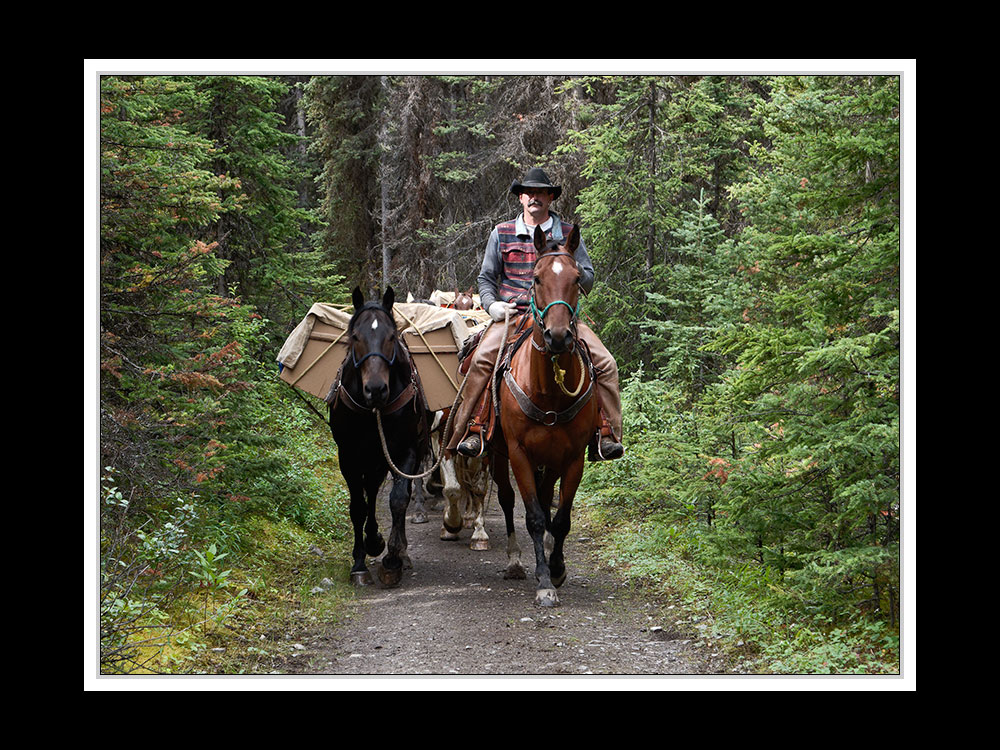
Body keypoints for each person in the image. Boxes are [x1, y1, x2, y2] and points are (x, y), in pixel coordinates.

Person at [446, 168, 624, 461]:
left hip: (559, 315)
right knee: (480, 360)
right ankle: (472, 430)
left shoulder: (568, 234)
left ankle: (606, 433)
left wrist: (570, 272)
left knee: (605, 362)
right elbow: (486, 279)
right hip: (512, 315)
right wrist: (493, 306)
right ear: (520, 198)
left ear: (550, 197)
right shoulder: (501, 233)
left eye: (540, 193)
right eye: (528, 193)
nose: (534, 198)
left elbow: (588, 274)